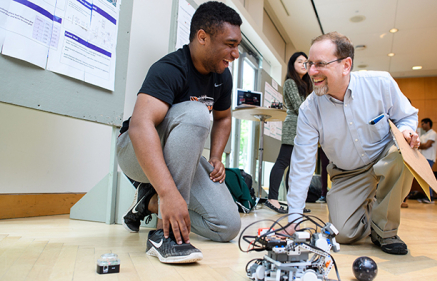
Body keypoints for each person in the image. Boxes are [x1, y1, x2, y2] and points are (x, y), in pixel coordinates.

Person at [116, 1, 243, 264]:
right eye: (230, 44)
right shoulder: (170, 68)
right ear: (202, 37)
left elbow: (223, 117)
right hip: (134, 152)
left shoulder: (222, 76)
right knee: (197, 113)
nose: (236, 53)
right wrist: (169, 193)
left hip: (181, 159)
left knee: (227, 226)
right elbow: (141, 127)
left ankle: (147, 201)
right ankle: (165, 235)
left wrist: (217, 156)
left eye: (237, 45)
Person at [284, 31, 419, 255]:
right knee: (344, 234)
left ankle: (384, 231)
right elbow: (302, 164)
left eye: (320, 64)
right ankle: (369, 209)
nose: (311, 72)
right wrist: (294, 220)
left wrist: (406, 131)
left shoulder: (380, 83)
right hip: (348, 173)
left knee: (403, 154)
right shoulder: (309, 110)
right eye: (310, 64)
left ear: (346, 65)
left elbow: (407, 115)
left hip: (385, 158)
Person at [265, 52, 313, 213]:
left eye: (306, 62)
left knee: (294, 167)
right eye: (300, 61)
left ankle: (293, 203)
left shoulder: (305, 84)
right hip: (293, 126)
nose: (304, 64)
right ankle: (272, 198)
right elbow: (300, 107)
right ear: (292, 65)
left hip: (302, 128)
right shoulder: (290, 82)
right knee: (282, 162)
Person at [417, 118, 437, 203]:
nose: (421, 126)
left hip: (429, 158)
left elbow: (426, 145)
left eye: (423, 124)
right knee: (425, 178)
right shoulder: (423, 136)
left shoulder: (433, 134)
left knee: (428, 177)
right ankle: (428, 196)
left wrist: (420, 145)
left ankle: (430, 197)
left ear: (428, 123)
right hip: (423, 158)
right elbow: (419, 145)